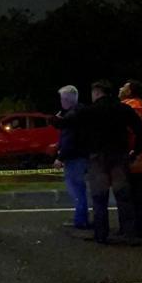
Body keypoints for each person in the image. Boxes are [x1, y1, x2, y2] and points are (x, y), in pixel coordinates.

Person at [54, 80, 142, 244]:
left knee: (99, 197)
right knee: (123, 195)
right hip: (119, 155)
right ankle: (129, 233)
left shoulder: (91, 111)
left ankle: (101, 233)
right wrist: (136, 151)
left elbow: (68, 123)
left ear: (96, 93)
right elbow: (141, 130)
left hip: (98, 158)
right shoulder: (123, 109)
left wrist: (55, 121)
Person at [119, 80, 142, 235]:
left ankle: (130, 227)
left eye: (124, 87)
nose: (120, 89)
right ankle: (139, 224)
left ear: (129, 92)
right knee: (138, 192)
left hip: (128, 157)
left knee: (126, 193)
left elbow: (128, 133)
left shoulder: (128, 109)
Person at [53, 85, 89, 229]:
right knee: (80, 189)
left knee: (76, 190)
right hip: (82, 156)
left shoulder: (71, 116)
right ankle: (82, 218)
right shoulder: (82, 112)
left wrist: (60, 157)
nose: (61, 101)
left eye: (62, 98)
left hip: (74, 158)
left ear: (67, 99)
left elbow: (69, 140)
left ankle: (80, 221)